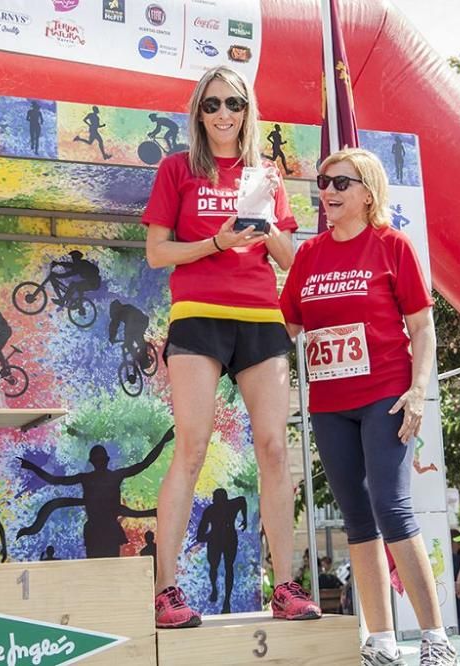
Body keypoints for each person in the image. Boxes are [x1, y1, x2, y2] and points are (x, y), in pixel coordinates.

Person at [142, 64, 318, 629]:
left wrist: (267, 226)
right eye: (213, 104)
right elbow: (156, 254)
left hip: (261, 317)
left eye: (234, 104)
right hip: (198, 316)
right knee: (191, 449)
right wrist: (216, 241)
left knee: (273, 449)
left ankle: (286, 586)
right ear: (199, 112)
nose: (223, 114)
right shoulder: (177, 169)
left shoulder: (266, 173)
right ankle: (165, 591)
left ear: (248, 111)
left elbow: (291, 261)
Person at [279, 147, 459, 666]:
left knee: (391, 506)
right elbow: (285, 328)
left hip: (385, 394)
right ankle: (380, 639)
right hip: (330, 404)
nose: (328, 192)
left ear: (368, 192)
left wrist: (418, 391)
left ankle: (434, 637)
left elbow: (422, 327)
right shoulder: (310, 256)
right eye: (323, 182)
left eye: (341, 183)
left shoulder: (391, 245)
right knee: (357, 519)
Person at [16, 426, 173, 558]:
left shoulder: (90, 478)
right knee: (106, 571)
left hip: (98, 531)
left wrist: (31, 467)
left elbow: (54, 480)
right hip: (105, 531)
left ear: (93, 462)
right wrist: (163, 442)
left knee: (101, 571)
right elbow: (144, 464)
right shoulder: (112, 476)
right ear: (106, 461)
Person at [195, 488, 247, 614]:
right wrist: (209, 537)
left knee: (228, 567)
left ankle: (227, 601)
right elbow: (200, 535)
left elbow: (242, 500)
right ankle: (214, 588)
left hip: (228, 539)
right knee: (214, 566)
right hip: (217, 540)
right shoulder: (211, 510)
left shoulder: (227, 506)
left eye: (216, 498)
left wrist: (245, 519)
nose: (214, 500)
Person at [108, 299, 151, 371]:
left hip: (141, 322)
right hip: (133, 326)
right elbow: (113, 325)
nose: (116, 317)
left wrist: (127, 338)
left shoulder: (127, 309)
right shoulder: (118, 314)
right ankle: (139, 359)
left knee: (138, 339)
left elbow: (129, 326)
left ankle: (146, 362)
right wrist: (112, 337)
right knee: (128, 344)